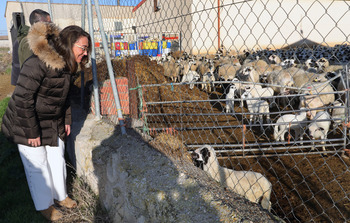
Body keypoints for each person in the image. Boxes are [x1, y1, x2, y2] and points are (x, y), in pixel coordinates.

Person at [1, 22, 91, 221]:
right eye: (83, 48)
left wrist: (67, 119)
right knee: (38, 165)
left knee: (57, 157)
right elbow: (23, 99)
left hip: (51, 120)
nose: (85, 53)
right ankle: (44, 206)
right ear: (69, 44)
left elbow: (65, 96)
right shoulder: (37, 64)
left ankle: (61, 196)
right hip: (25, 121)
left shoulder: (69, 66)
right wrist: (32, 131)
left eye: (87, 49)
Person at [11, 9, 51, 86]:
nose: (51, 25)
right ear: (39, 24)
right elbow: (30, 70)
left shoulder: (40, 38)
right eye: (48, 23)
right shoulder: (29, 42)